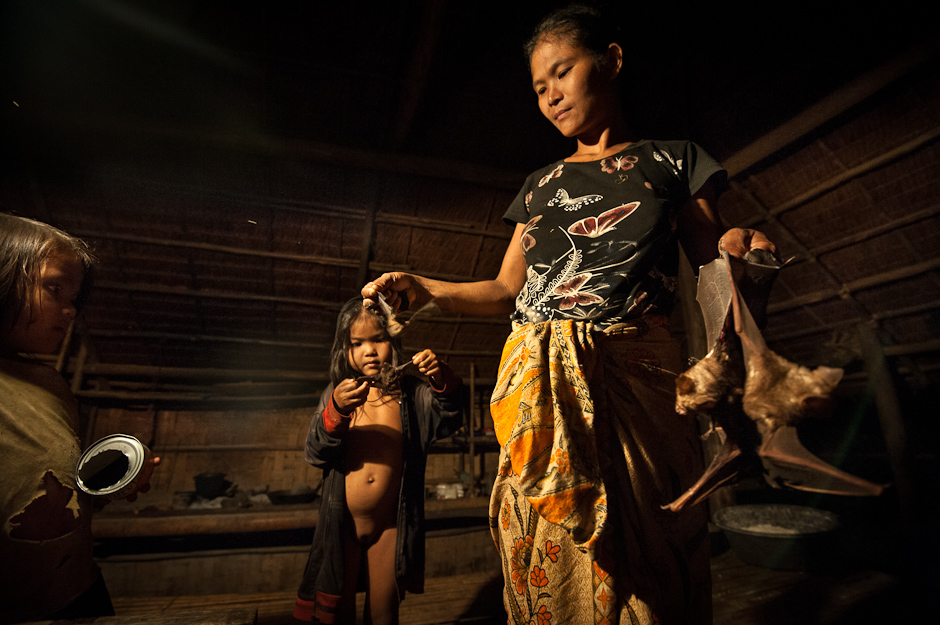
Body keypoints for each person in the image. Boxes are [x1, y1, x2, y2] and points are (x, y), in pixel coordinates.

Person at [361, 4, 778, 624]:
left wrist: (741, 244)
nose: (551, 95)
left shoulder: (673, 161)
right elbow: (507, 288)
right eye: (538, 87)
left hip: (640, 384)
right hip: (542, 387)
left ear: (609, 61)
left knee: (651, 557)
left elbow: (710, 261)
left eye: (563, 72)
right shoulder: (539, 185)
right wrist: (428, 288)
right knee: (552, 551)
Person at [0, 213, 160, 623]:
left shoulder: (51, 386)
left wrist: (104, 489)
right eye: (55, 289)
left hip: (78, 591)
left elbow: (56, 484)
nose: (70, 310)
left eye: (74, 299)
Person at [294, 298, 465, 625]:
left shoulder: (412, 394)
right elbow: (315, 451)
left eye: (379, 339)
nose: (369, 351)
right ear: (343, 350)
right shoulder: (339, 393)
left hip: (390, 525)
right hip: (342, 525)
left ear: (395, 341)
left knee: (384, 614)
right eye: (356, 343)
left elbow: (450, 417)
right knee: (338, 613)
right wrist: (337, 410)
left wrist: (441, 376)